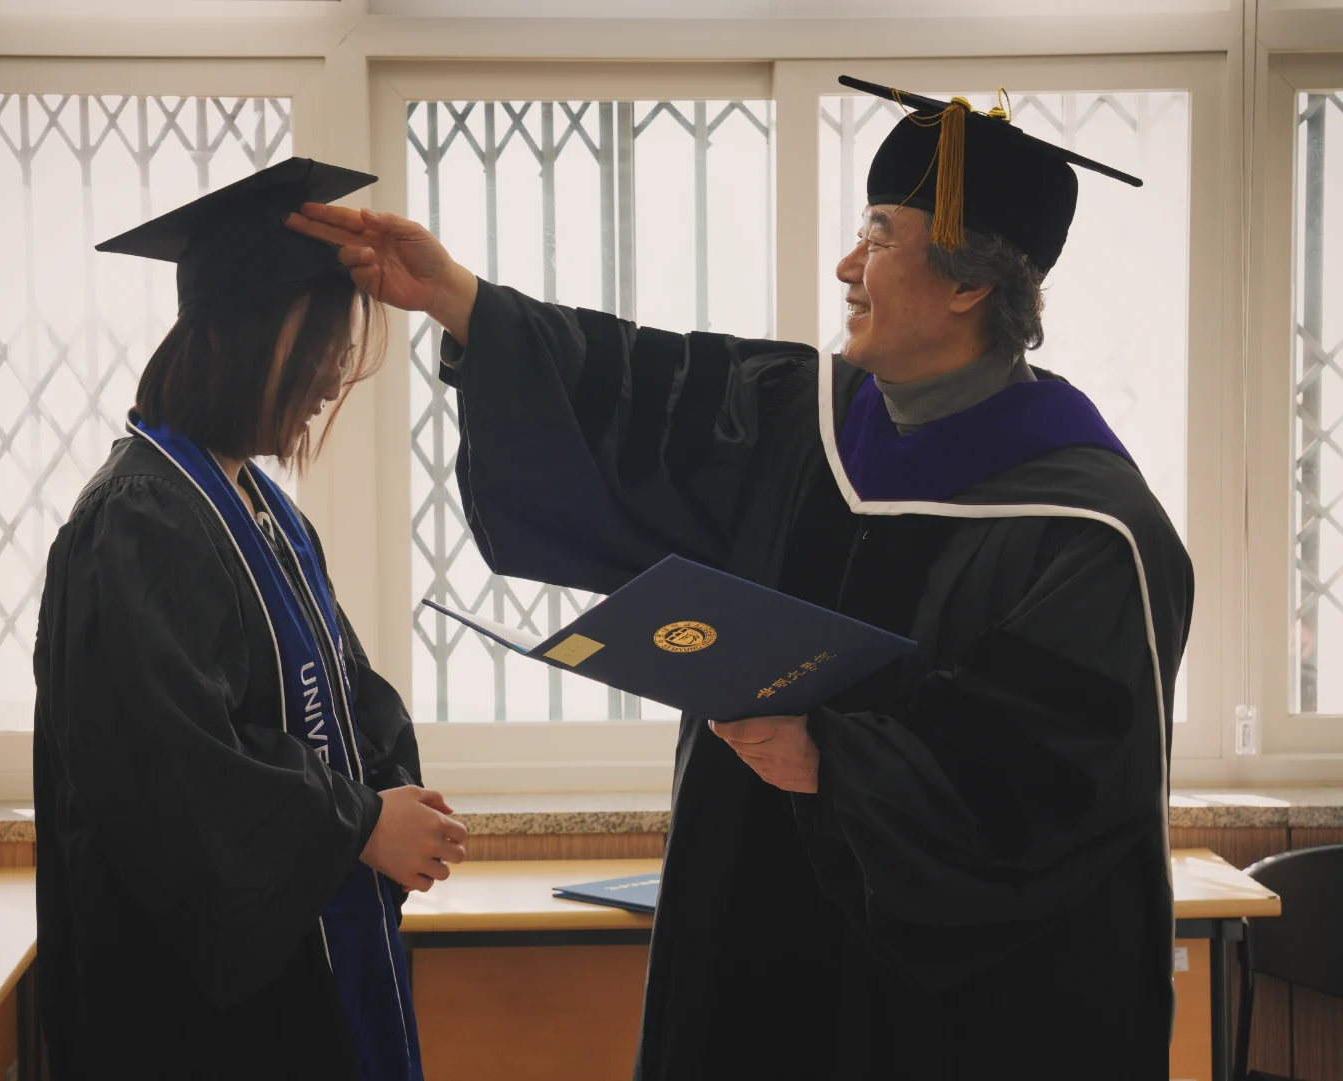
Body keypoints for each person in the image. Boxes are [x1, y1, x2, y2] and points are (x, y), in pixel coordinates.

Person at [289, 80, 1193, 1080]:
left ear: (968, 285)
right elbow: (634, 380)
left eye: (879, 238)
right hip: (748, 948)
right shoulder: (796, 420)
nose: (847, 266)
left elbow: (1054, 782)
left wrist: (832, 760)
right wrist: (459, 299)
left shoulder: (1092, 530)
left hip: (941, 1018)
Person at [33, 158, 467, 1081]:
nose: (333, 378)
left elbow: (346, 697)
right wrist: (356, 823)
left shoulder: (264, 513)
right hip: (193, 1010)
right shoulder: (139, 518)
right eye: (319, 348)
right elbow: (170, 770)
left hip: (294, 959)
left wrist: (396, 798)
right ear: (239, 337)